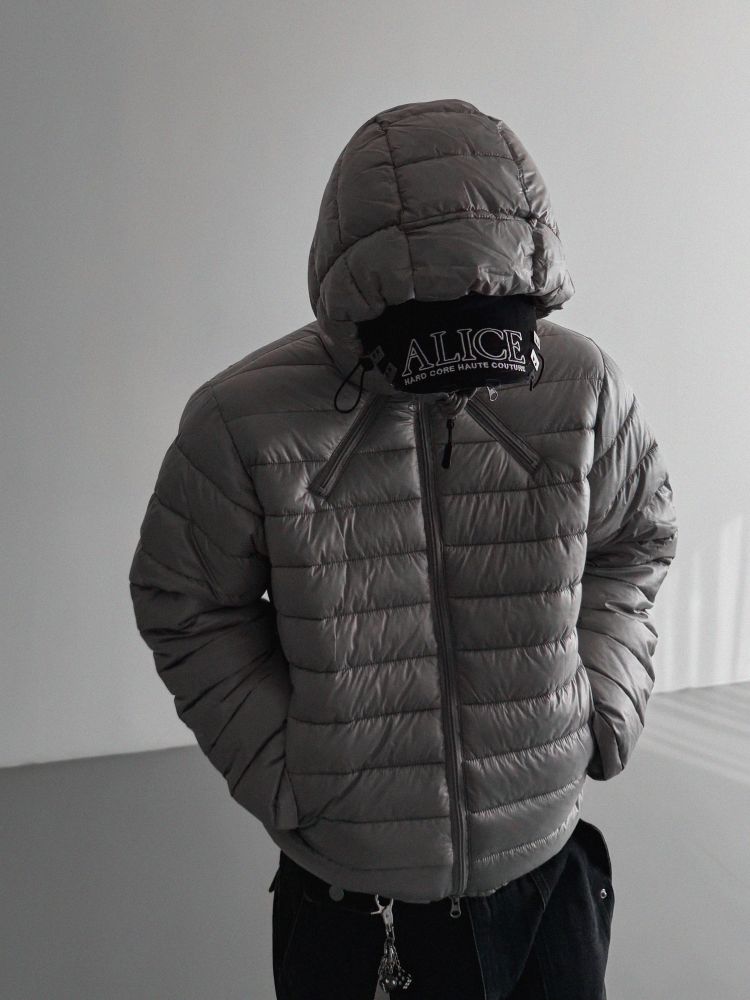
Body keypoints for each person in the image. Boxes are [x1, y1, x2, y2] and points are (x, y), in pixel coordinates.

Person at [128, 98, 678, 999]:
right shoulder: (242, 422)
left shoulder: (581, 385)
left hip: (546, 874)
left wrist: (600, 705)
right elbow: (184, 601)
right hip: (353, 903)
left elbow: (636, 538)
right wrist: (291, 771)